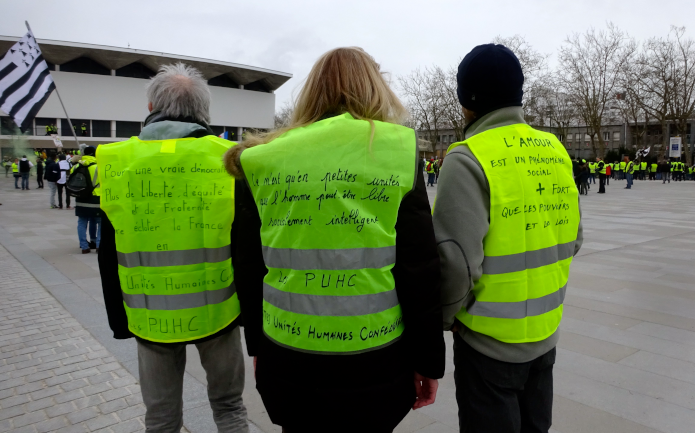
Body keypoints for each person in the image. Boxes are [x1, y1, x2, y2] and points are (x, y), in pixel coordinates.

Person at [224, 47, 444, 432]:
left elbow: (248, 265)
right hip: (375, 356)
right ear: (376, 88)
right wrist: (428, 361)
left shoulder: (261, 157)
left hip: (288, 354)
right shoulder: (397, 149)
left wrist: (258, 345)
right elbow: (419, 268)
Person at [433, 44, 583, 433]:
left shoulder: (466, 158)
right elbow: (575, 238)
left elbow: (456, 264)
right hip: (545, 337)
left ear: (467, 100)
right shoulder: (555, 150)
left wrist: (445, 319)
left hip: (487, 345)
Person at [97, 63, 249, 432]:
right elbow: (246, 246)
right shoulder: (230, 158)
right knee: (229, 407)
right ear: (204, 111)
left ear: (151, 108)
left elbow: (107, 250)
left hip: (150, 317)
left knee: (162, 417)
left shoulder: (117, 162)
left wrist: (120, 322)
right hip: (219, 314)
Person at [70, 146, 101, 254]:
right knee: (99, 222)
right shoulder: (99, 167)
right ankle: (98, 245)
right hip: (96, 198)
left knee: (82, 222)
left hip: (81, 198)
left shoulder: (76, 166)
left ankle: (84, 246)